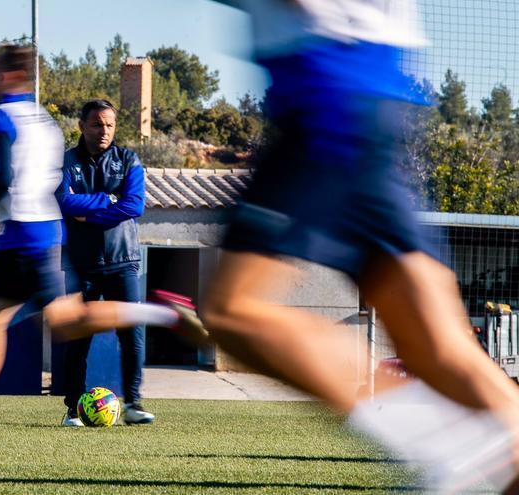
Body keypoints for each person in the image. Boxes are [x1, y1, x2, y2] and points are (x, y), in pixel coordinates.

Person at [203, 0, 519, 491]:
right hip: (376, 96)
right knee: (440, 350)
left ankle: (454, 447)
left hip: (326, 92)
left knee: (235, 310)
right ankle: (499, 449)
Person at [0, 45, 203, 446]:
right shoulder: (45, 122)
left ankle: (162, 314)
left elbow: (3, 183)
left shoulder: (2, 118)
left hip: (23, 237)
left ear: (7, 75)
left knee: (55, 320)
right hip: (44, 234)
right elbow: (57, 193)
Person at [56, 100, 152, 427]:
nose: (104, 131)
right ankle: (73, 409)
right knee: (78, 337)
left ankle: (134, 403)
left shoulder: (128, 159)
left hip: (123, 261)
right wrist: (108, 200)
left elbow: (135, 205)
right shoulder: (66, 161)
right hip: (82, 263)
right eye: (97, 124)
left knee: (131, 333)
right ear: (82, 126)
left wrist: (89, 215)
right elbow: (64, 201)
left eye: (109, 125)